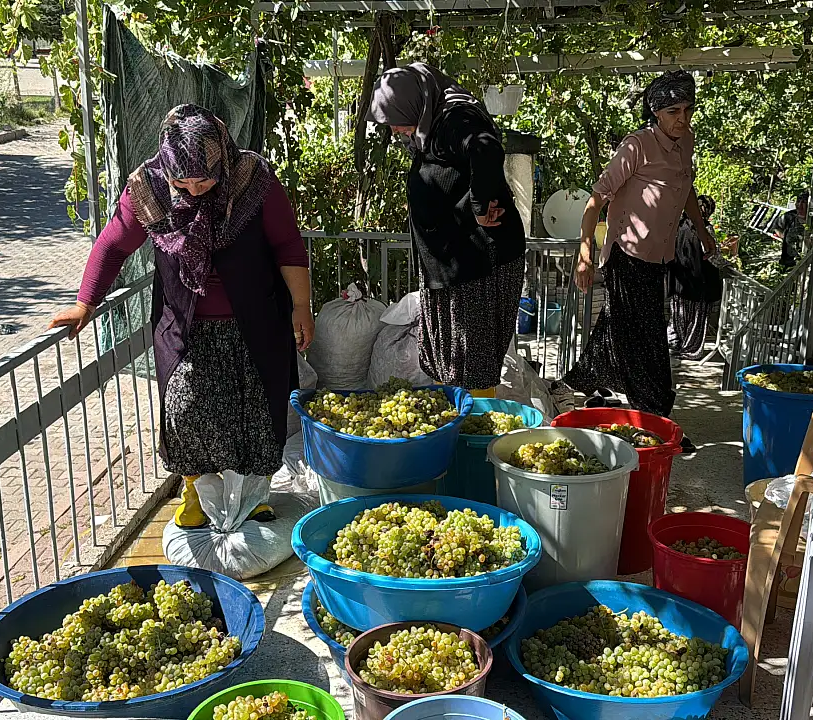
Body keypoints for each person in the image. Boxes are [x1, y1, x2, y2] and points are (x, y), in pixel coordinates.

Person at [49, 104, 313, 528]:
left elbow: (287, 245)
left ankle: (253, 496)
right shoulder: (149, 188)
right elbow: (114, 244)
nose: (193, 191)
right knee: (185, 410)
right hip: (185, 325)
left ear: (222, 157)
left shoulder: (253, 180)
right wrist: (86, 302)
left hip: (256, 321)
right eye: (182, 182)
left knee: (256, 412)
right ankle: (195, 491)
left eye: (204, 180)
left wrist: (301, 306)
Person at [550, 70, 716, 425]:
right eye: (673, 112)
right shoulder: (636, 146)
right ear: (656, 112)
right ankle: (654, 414)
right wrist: (584, 256)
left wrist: (702, 231)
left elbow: (686, 187)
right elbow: (596, 199)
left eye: (688, 110)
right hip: (627, 254)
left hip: (659, 256)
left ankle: (575, 384)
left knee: (619, 328)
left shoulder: (686, 142)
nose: (682, 119)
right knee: (648, 336)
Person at [367, 63, 525, 398]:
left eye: (396, 118)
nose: (394, 129)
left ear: (415, 103)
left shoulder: (455, 119)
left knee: (473, 367)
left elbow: (486, 147)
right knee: (455, 365)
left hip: (476, 267)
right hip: (455, 266)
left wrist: (480, 207)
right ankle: (461, 420)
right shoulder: (433, 128)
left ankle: (476, 425)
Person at [668, 194, 722, 360]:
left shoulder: (679, 225)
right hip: (699, 283)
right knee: (696, 319)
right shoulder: (704, 230)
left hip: (680, 282)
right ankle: (690, 350)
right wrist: (727, 264)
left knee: (680, 316)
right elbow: (713, 256)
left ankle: (676, 345)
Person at [771, 191, 810, 268]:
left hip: (809, 264)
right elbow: (776, 226)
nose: (800, 205)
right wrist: (784, 236)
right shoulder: (790, 217)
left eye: (804, 202)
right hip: (790, 263)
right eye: (798, 201)